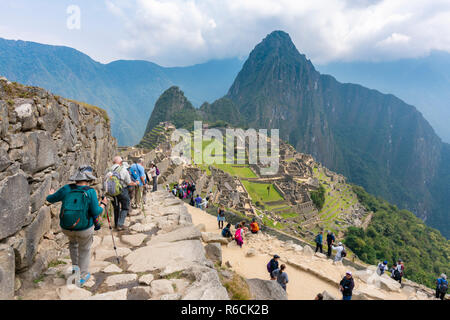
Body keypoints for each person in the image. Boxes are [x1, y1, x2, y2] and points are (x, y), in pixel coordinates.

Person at [46, 165, 107, 286]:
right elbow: (95, 212)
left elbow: (50, 199)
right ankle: (82, 277)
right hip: (84, 228)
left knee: (73, 245)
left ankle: (75, 272)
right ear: (89, 179)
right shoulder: (90, 192)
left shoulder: (66, 189)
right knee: (84, 250)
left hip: (67, 228)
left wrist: (51, 193)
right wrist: (103, 205)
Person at [108, 156, 136, 231]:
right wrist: (135, 183)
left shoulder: (108, 170)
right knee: (125, 207)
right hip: (122, 191)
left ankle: (116, 223)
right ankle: (120, 225)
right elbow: (129, 182)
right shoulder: (123, 169)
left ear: (113, 162)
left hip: (112, 192)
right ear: (120, 163)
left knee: (116, 208)